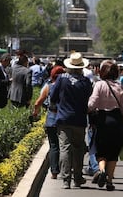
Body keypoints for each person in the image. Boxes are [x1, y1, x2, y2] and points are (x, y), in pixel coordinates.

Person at [49, 52, 93, 189]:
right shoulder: (85, 82)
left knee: (65, 148)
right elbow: (89, 99)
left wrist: (57, 106)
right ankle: (78, 178)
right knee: (79, 149)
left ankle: (66, 179)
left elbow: (53, 96)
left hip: (63, 119)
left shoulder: (61, 79)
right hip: (79, 120)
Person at [88, 60, 123, 191]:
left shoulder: (99, 85)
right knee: (113, 152)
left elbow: (92, 104)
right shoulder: (120, 87)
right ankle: (110, 181)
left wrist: (86, 109)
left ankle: (101, 171)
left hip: (102, 120)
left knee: (101, 150)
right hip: (117, 121)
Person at [33, 65, 65, 179]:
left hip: (51, 118)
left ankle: (54, 172)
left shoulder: (49, 86)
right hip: (64, 119)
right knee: (65, 146)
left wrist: (35, 113)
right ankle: (66, 170)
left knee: (54, 145)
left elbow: (38, 103)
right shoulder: (67, 86)